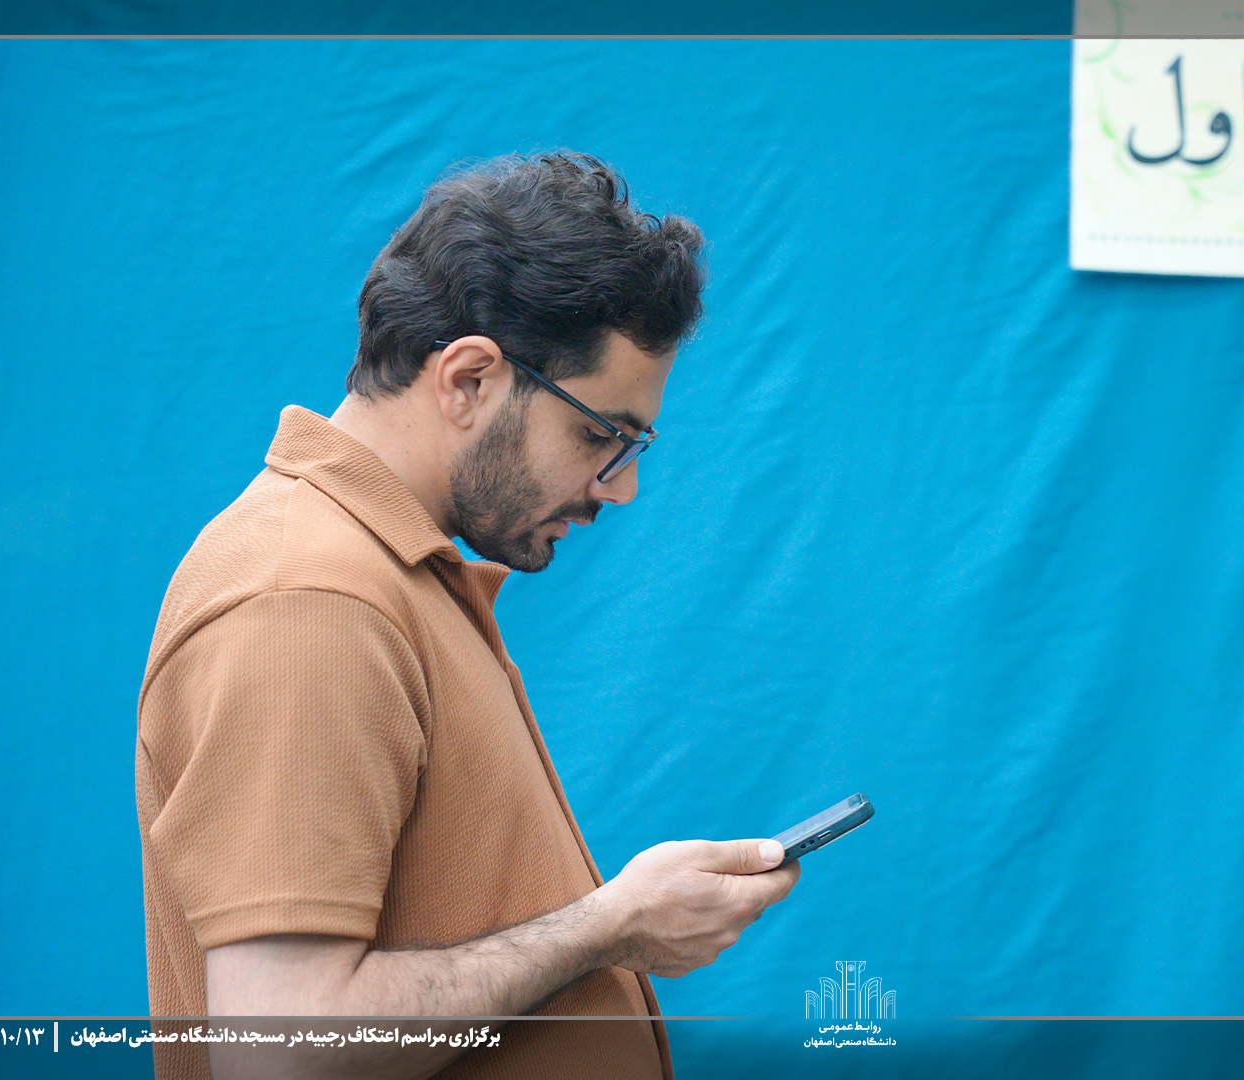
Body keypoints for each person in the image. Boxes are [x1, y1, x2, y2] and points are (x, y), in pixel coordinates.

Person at [135, 152, 800, 1080]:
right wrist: (608, 927)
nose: (621, 488)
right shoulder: (309, 602)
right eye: (600, 435)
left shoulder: (383, 577)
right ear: (469, 380)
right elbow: (285, 1052)